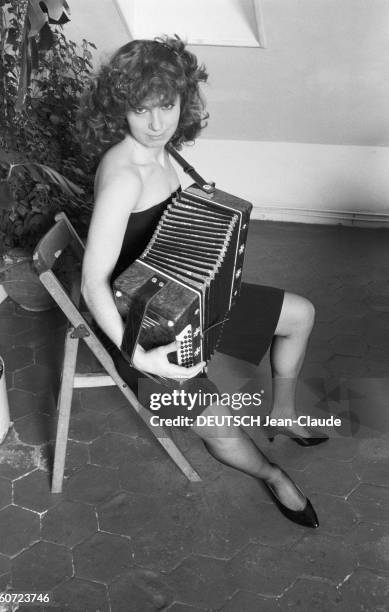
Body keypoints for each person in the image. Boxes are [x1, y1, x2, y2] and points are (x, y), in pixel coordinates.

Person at [79, 36, 323, 528]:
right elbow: (91, 284)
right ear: (119, 107)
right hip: (147, 329)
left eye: (166, 106)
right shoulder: (125, 175)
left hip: (192, 301)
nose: (155, 124)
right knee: (218, 426)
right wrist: (138, 355)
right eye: (140, 109)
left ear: (182, 101)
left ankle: (281, 412)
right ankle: (273, 475)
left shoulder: (165, 153)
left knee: (300, 314)